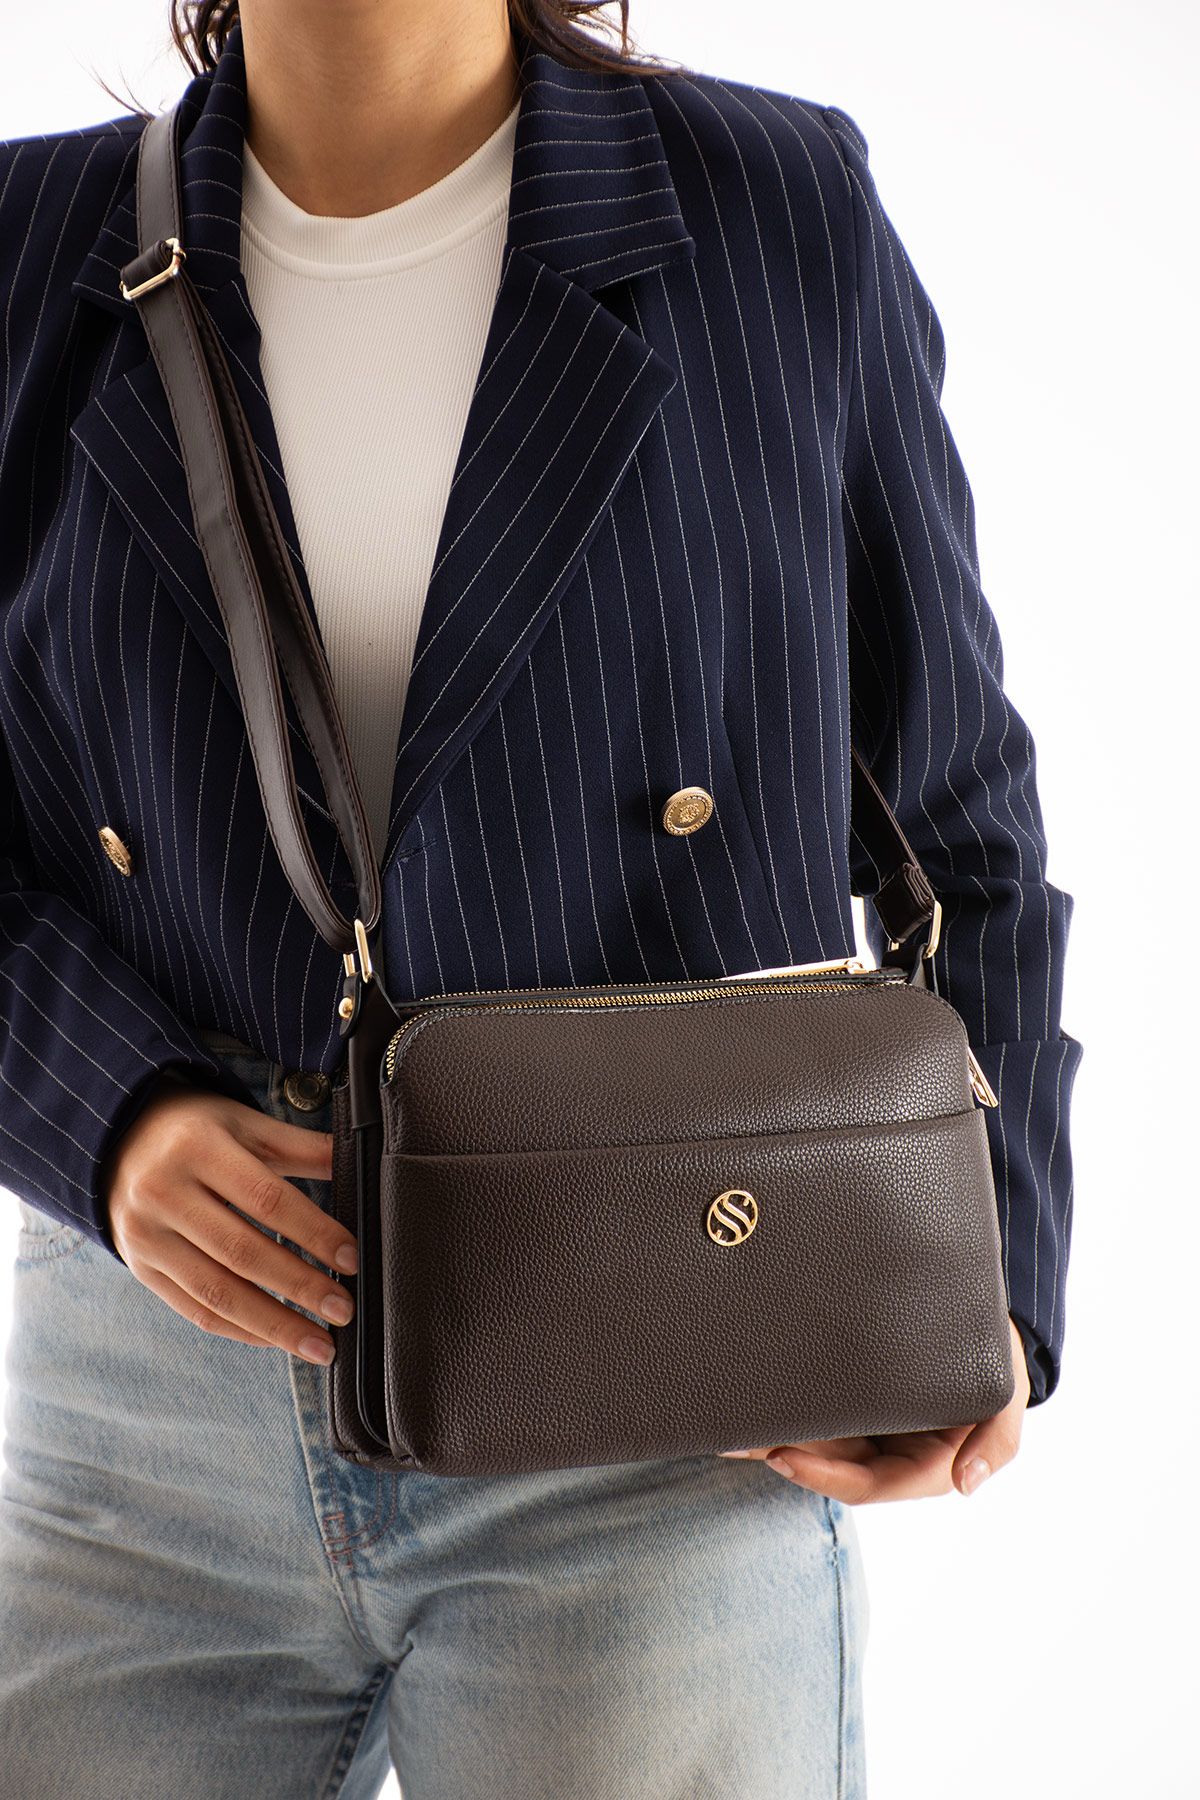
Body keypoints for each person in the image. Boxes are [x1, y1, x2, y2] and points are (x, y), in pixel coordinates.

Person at [0, 1, 1081, 1794]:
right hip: (149, 1396)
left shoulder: (765, 204)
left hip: (658, 1374)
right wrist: (101, 1115)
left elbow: (957, 822)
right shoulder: (32, 247)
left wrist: (994, 1290)